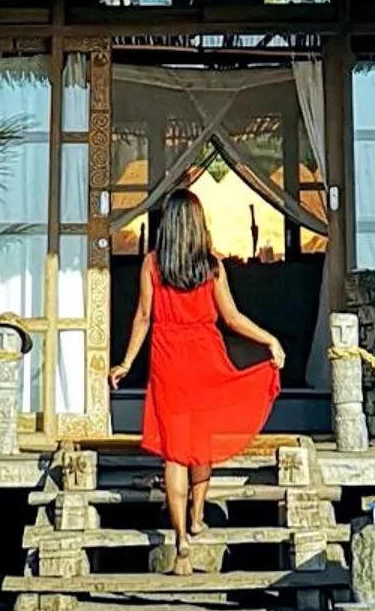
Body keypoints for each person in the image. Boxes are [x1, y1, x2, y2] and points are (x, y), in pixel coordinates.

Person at [110, 188, 285, 575]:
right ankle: (197, 515)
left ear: (168, 226)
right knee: (200, 439)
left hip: (168, 362)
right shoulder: (212, 266)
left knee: (174, 453)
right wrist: (269, 339)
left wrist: (125, 362)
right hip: (205, 358)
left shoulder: (152, 265)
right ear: (197, 224)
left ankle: (181, 544)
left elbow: (143, 317)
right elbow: (233, 318)